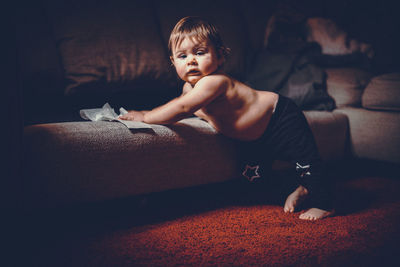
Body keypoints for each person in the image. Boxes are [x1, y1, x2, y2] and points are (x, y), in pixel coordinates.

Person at [119, 16, 335, 220]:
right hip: (253, 139)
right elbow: (183, 107)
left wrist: (145, 116)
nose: (191, 61)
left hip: (280, 118)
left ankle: (324, 202)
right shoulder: (189, 88)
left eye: (200, 52)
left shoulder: (214, 82)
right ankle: (298, 188)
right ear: (173, 62)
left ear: (220, 56)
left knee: (306, 162)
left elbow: (183, 107)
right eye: (182, 56)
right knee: (253, 179)